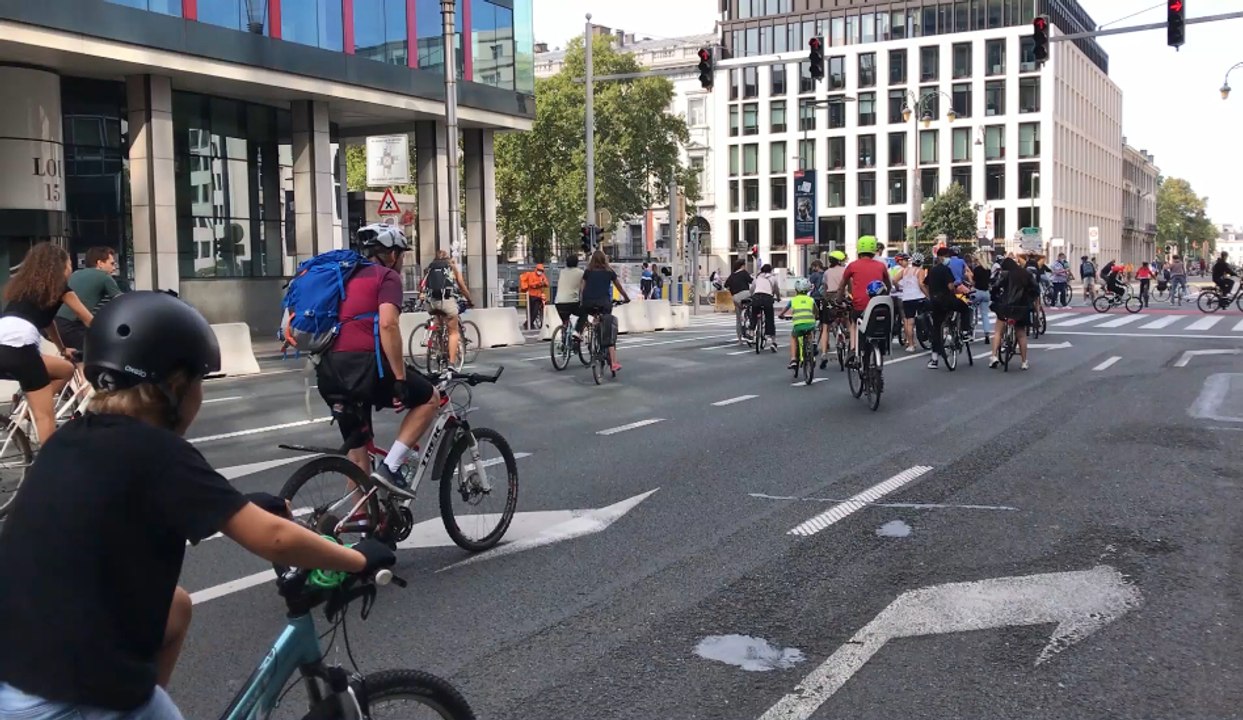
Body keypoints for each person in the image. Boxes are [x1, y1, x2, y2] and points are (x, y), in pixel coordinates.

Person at [0, 291, 396, 720]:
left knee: (176, 608)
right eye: (199, 383)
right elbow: (275, 537)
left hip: (16, 662)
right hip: (62, 698)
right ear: (177, 387)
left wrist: (238, 504)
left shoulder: (73, 439)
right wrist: (355, 559)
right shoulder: (159, 452)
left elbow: (139, 502)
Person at [316, 224, 441, 494]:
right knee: (431, 398)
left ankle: (359, 526)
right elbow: (387, 325)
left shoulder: (343, 276)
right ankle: (391, 467)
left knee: (358, 460)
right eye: (402, 254)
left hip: (328, 372)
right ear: (392, 254)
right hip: (364, 369)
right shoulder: (386, 277)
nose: (403, 259)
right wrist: (399, 379)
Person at [0, 242, 94, 444]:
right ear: (61, 266)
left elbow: (48, 321)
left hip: (4, 342)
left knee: (66, 369)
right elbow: (88, 319)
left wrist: (62, 348)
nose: (71, 269)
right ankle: (48, 467)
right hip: (21, 347)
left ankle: (27, 407)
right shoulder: (62, 289)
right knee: (45, 415)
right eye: (69, 264)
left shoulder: (23, 288)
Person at [54, 246, 122, 352]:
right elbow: (122, 302)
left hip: (55, 324)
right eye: (112, 264)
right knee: (100, 352)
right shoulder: (104, 276)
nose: (114, 268)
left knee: (77, 358)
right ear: (100, 263)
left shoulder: (75, 274)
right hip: (73, 325)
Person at [837, 236, 891, 363]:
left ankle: (853, 349)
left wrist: (839, 300)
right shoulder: (880, 266)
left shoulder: (852, 266)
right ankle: (882, 350)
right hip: (878, 305)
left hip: (860, 306)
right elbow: (888, 284)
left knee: (854, 323)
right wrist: (885, 294)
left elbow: (842, 285)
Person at [580, 250, 631, 372]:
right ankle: (613, 362)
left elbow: (582, 288)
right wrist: (626, 298)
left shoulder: (587, 272)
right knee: (609, 330)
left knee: (596, 317)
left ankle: (593, 339)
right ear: (604, 260)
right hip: (603, 303)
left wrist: (583, 300)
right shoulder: (609, 272)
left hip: (588, 304)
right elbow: (619, 287)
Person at [422, 250, 474, 368]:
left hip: (432, 304)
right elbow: (462, 286)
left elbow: (423, 285)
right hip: (446, 302)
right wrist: (470, 300)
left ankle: (439, 348)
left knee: (439, 325)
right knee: (453, 332)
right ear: (448, 258)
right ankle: (451, 363)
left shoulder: (429, 268)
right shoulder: (451, 267)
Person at [924, 247, 970, 370]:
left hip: (934, 301)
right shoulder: (946, 270)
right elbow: (950, 286)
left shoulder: (932, 270)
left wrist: (929, 295)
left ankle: (934, 359)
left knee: (936, 328)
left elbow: (925, 284)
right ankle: (965, 331)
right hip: (947, 300)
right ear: (942, 257)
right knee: (965, 308)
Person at [989, 258, 1038, 370]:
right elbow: (1035, 289)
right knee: (1021, 334)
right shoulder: (1026, 274)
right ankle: (1024, 361)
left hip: (1006, 307)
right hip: (1021, 307)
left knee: (998, 331)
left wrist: (995, 297)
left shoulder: (1005, 274)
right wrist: (1029, 301)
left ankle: (994, 356)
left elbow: (996, 287)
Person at [779, 278, 818, 370]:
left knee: (793, 337)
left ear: (796, 290)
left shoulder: (793, 300)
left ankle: (793, 359)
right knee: (810, 332)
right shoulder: (811, 300)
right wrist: (815, 316)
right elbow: (816, 311)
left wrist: (781, 315)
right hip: (810, 324)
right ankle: (811, 349)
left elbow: (784, 311)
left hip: (798, 325)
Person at [817, 251, 848, 367]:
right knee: (849, 318)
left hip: (829, 299)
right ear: (840, 260)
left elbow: (824, 288)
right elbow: (849, 285)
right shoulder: (845, 271)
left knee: (826, 326)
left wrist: (824, 299)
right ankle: (848, 336)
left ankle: (824, 353)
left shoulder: (827, 272)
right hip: (841, 297)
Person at [895, 252, 927, 353]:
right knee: (925, 314)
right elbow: (921, 284)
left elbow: (894, 280)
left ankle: (911, 344)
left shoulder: (904, 271)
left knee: (909, 322)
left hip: (906, 298)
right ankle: (925, 331)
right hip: (918, 297)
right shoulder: (920, 271)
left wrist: (899, 287)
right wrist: (928, 294)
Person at [553, 253, 586, 340]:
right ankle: (577, 331)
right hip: (572, 302)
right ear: (577, 263)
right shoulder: (581, 272)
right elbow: (583, 289)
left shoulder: (562, 272)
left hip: (558, 302)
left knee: (565, 320)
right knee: (584, 313)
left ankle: (564, 339)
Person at [750, 263, 780, 351]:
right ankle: (773, 342)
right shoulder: (773, 278)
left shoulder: (757, 277)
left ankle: (751, 332)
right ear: (770, 270)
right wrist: (778, 298)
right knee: (770, 319)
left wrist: (751, 296)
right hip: (767, 298)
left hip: (757, 297)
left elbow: (752, 288)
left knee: (754, 314)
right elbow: (776, 289)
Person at [725, 259, 754, 344]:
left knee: (738, 319)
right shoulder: (744, 272)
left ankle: (739, 339)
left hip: (736, 298)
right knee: (752, 312)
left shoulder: (732, 275)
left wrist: (732, 292)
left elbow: (726, 285)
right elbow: (752, 281)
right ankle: (751, 327)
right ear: (742, 266)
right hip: (746, 295)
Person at [519, 264, 549, 329]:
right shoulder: (531, 275)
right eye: (539, 270)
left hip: (538, 296)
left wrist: (543, 283)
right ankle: (529, 324)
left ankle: (528, 324)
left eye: (541, 270)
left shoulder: (542, 276)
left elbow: (547, 283)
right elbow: (531, 284)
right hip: (530, 295)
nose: (540, 271)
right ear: (536, 269)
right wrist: (539, 283)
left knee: (535, 312)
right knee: (530, 311)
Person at [970, 253, 992, 337]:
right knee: (985, 314)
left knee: (970, 307)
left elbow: (974, 282)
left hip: (977, 292)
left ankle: (970, 327)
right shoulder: (988, 269)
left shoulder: (976, 269)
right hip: (986, 293)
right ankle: (987, 333)